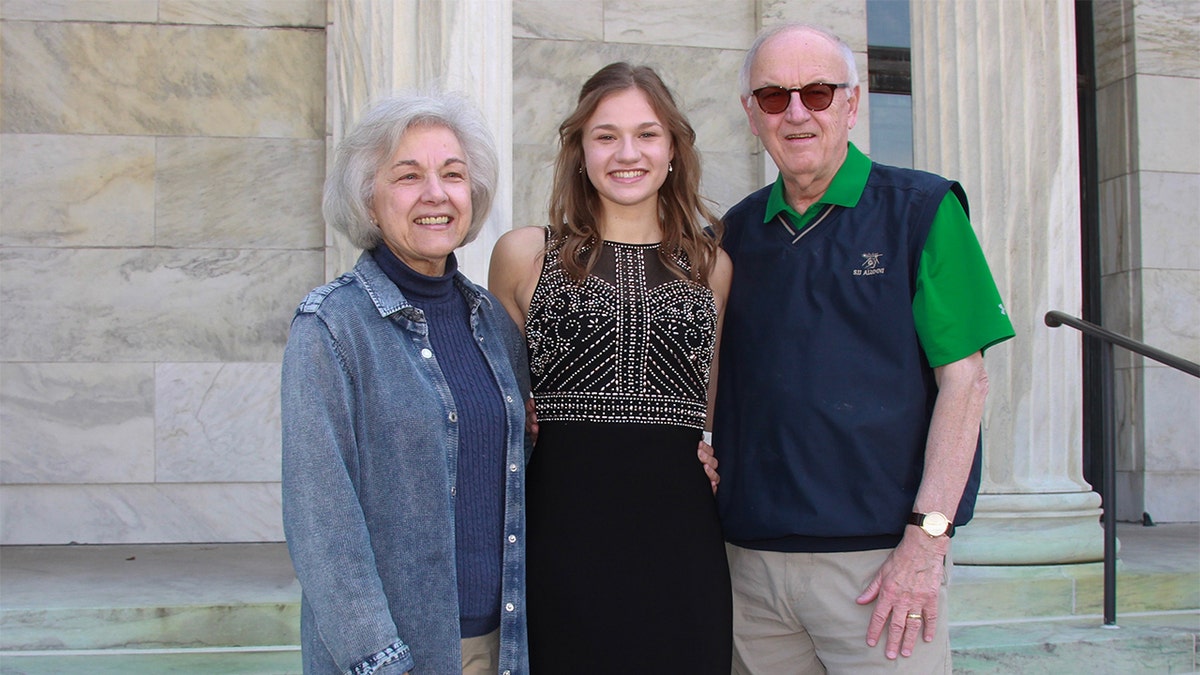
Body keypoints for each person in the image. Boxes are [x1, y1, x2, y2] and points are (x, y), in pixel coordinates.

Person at [713, 24, 1016, 674]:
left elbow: (967, 384)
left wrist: (927, 540)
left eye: (818, 93)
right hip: (751, 569)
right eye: (773, 98)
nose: (797, 113)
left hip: (881, 572)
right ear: (751, 114)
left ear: (852, 103)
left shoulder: (923, 209)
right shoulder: (733, 235)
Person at [489, 62, 733, 673]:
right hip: (560, 536)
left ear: (673, 148)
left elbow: (709, 407)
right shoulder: (524, 254)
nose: (628, 153)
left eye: (648, 134)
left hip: (680, 541)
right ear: (579, 152)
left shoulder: (709, 266)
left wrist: (709, 452)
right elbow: (494, 401)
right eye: (605, 135)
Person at [281, 92, 530, 675]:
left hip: (504, 645)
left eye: (453, 174)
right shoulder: (330, 328)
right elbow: (320, 518)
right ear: (368, 199)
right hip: (397, 653)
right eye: (408, 176)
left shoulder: (494, 324)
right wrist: (378, 659)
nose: (435, 194)